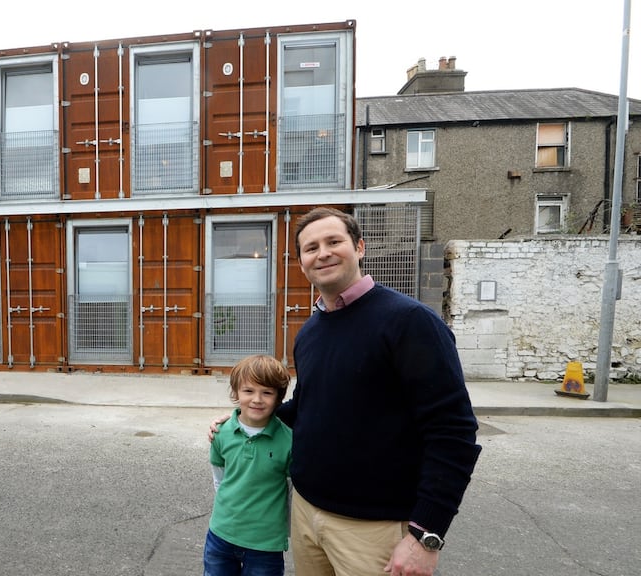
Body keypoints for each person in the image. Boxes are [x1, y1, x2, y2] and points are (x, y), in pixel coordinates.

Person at [210, 207, 481, 576]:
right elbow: (308, 405)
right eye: (311, 248)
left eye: (333, 241)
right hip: (306, 516)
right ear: (302, 262)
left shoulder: (409, 322)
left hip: (373, 529)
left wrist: (425, 534)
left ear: (359, 247)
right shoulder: (310, 332)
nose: (322, 253)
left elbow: (454, 432)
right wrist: (249, 419)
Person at [204, 354, 292, 576]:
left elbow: (291, 494)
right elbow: (220, 479)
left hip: (265, 544)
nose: (257, 399)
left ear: (278, 397)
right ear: (236, 393)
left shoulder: (289, 441)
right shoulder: (221, 433)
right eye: (249, 391)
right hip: (221, 536)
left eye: (267, 393)